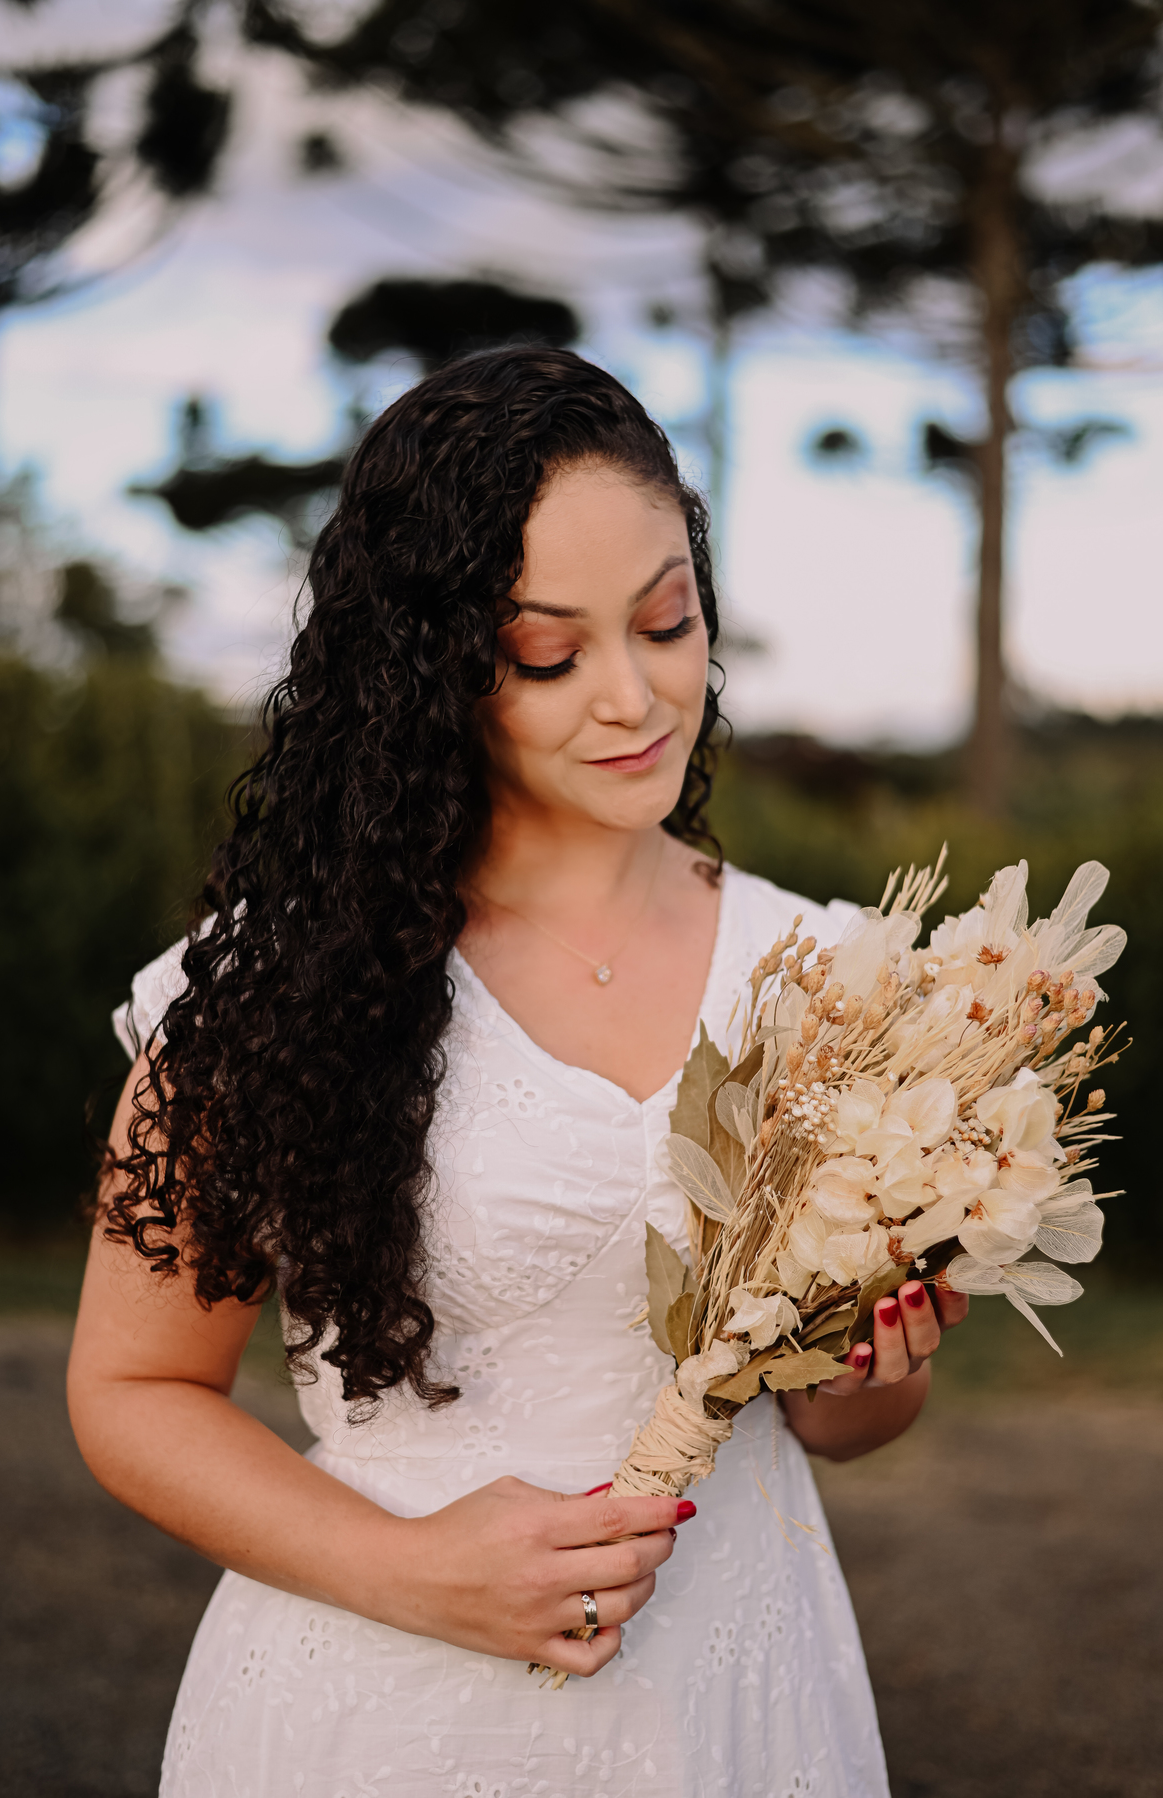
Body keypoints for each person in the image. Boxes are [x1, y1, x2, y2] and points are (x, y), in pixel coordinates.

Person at [68, 347, 967, 1798]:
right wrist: (410, 1569)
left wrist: (877, 1366)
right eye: (549, 653)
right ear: (426, 671)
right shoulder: (279, 987)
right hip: (370, 1713)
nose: (635, 695)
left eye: (667, 622)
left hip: (734, 1702)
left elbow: (841, 1423)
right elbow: (134, 1385)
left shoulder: (835, 976)